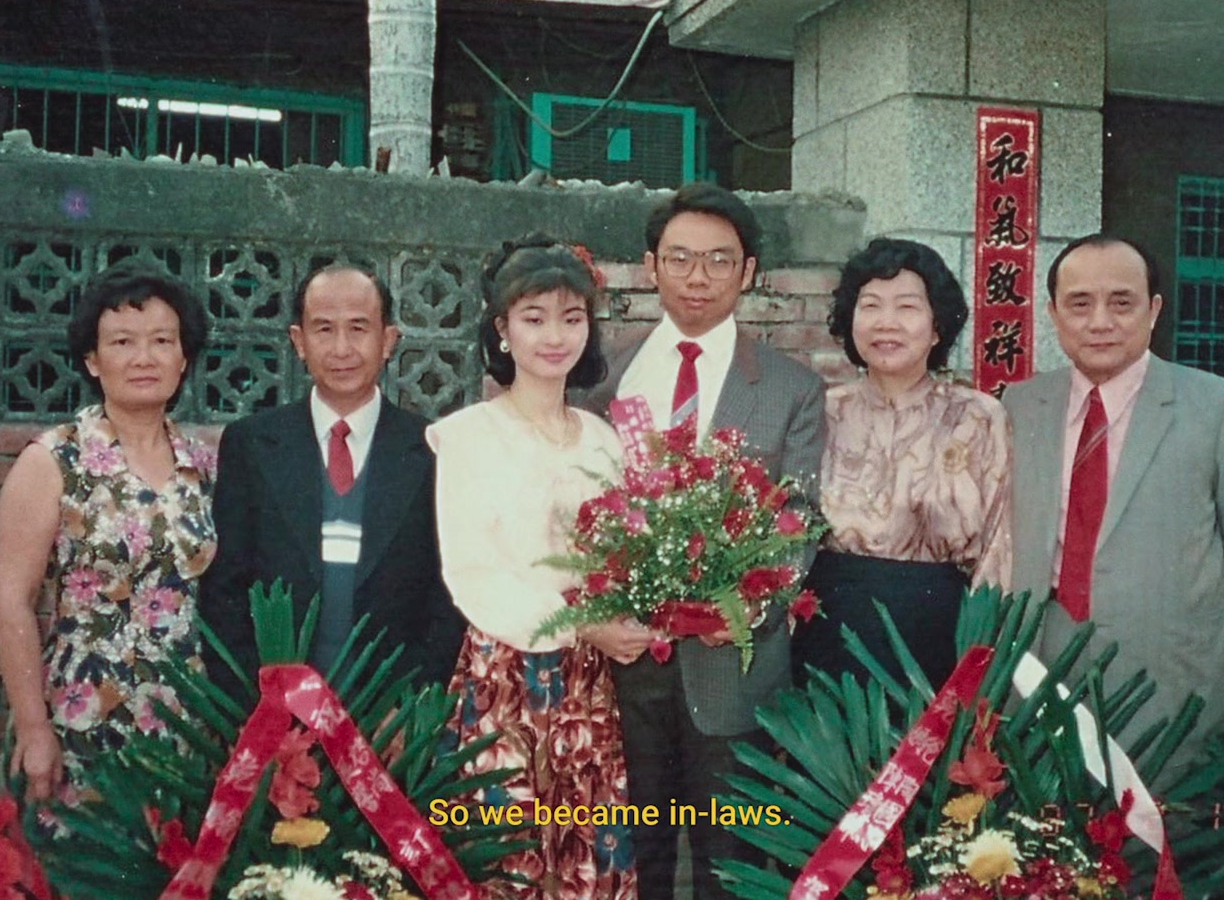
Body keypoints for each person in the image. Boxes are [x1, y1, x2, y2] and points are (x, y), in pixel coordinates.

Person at [582, 184, 825, 900]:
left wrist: (745, 607)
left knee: (731, 869)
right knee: (639, 868)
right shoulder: (602, 379)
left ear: (747, 272)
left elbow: (799, 519)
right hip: (626, 670)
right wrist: (600, 613)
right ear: (650, 266)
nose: (698, 276)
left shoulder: (791, 388)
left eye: (719, 260)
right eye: (680, 258)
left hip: (734, 673)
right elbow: (581, 514)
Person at [429, 237, 644, 899]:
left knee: (585, 859)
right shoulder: (465, 435)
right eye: (534, 318)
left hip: (587, 685)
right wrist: (582, 624)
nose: (555, 336)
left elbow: (620, 560)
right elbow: (473, 571)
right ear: (502, 329)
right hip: (505, 677)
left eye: (571, 318)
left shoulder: (605, 440)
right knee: (506, 862)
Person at [1004, 234, 1224, 777]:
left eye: (1121, 302)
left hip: (1169, 679)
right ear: (1052, 313)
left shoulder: (1222, 408)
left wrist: (1178, 609)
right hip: (1040, 667)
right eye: (1079, 304)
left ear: (1153, 310)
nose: (1100, 322)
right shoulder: (1020, 405)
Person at [0, 261, 215, 802]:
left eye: (162, 340)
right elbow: (12, 599)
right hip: (82, 721)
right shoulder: (53, 460)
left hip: (190, 726)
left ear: (183, 357)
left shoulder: (204, 465)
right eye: (122, 342)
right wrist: (34, 728)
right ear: (92, 360)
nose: (144, 357)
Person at [199, 260, 462, 697]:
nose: (342, 349)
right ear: (298, 341)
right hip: (274, 713)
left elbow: (447, 597)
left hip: (391, 716)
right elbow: (224, 592)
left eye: (359, 328)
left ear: (388, 340)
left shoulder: (432, 449)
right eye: (324, 329)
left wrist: (408, 709)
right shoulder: (253, 445)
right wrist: (260, 710)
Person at [795, 238, 1012, 690]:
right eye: (871, 305)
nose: (886, 323)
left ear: (937, 327)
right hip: (828, 633)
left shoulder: (977, 417)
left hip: (938, 637)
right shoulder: (820, 411)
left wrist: (981, 663)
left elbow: (998, 549)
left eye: (907, 307)